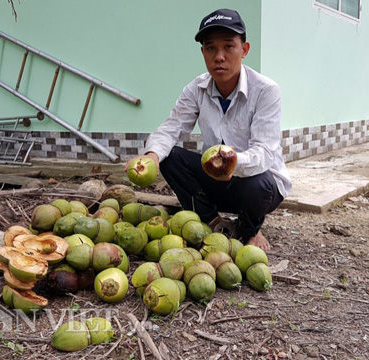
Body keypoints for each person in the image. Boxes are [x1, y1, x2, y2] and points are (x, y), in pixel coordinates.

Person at [125, 8, 292, 250]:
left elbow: (265, 152)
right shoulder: (196, 88)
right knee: (169, 155)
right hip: (218, 180)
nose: (219, 56)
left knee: (258, 183)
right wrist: (151, 157)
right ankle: (212, 221)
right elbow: (171, 128)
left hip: (260, 189)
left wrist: (231, 161)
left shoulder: (266, 90)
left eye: (228, 47)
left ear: (244, 50)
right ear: (203, 52)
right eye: (211, 48)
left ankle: (250, 230)